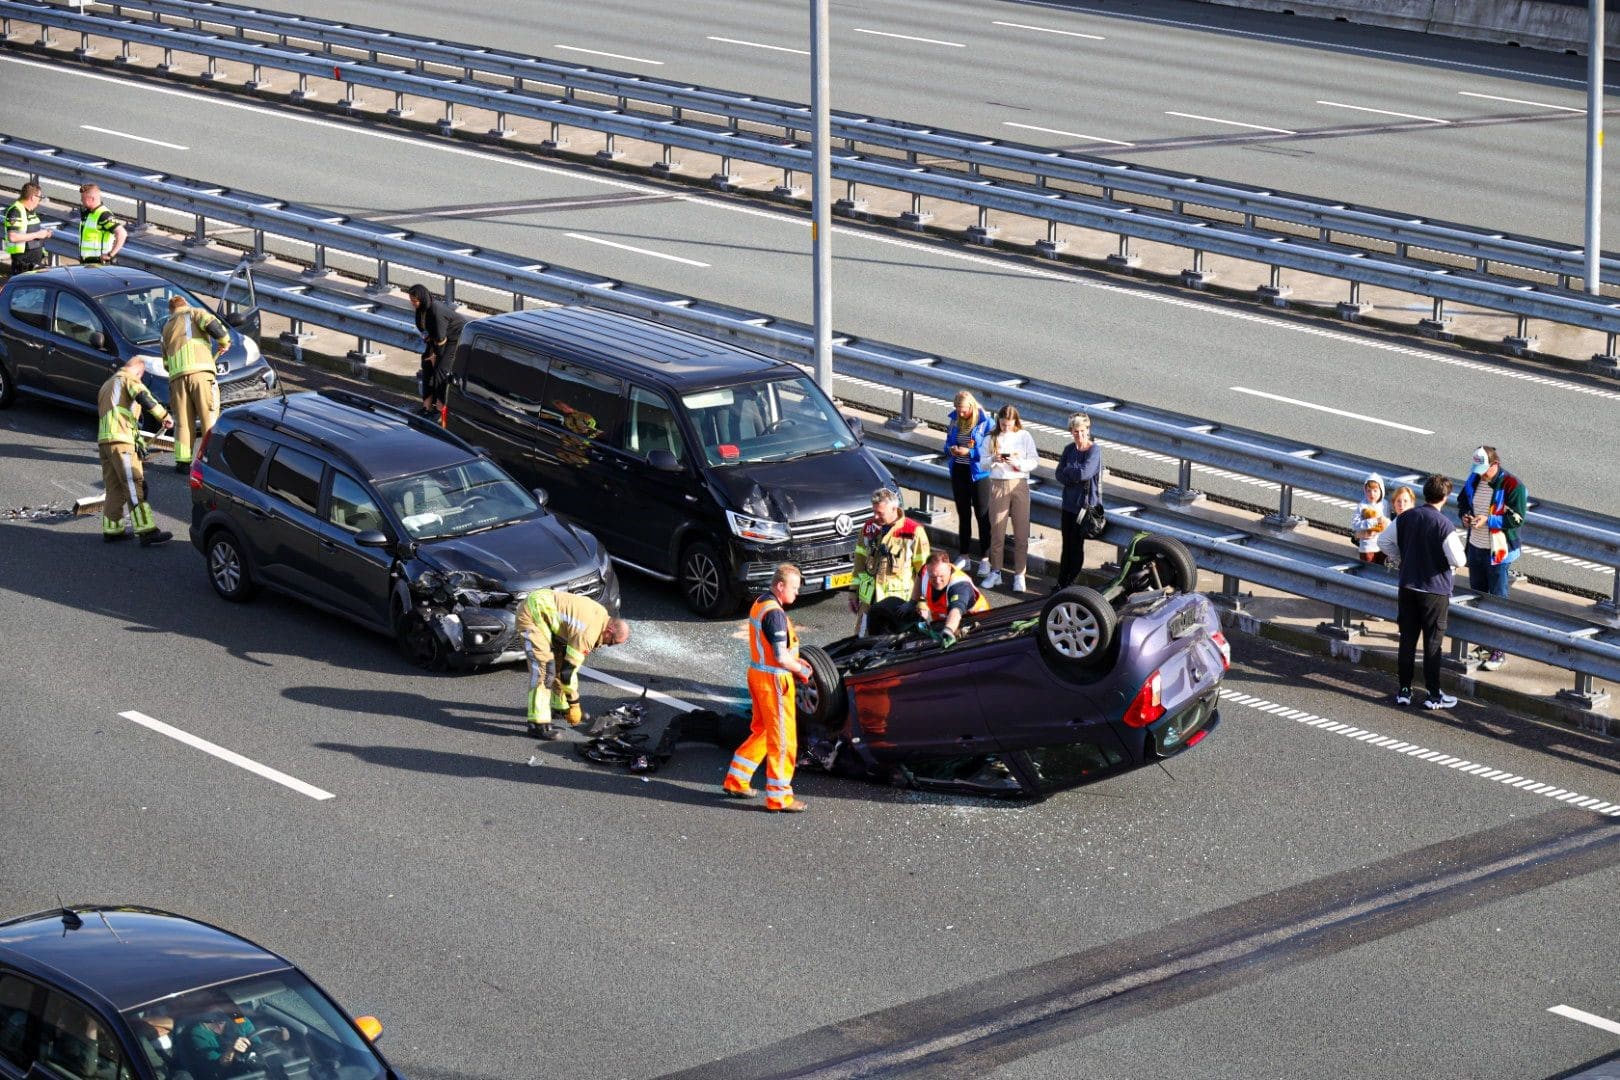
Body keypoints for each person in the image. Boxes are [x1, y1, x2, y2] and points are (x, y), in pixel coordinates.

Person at [723, 563, 814, 812]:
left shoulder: (760, 603)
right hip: (775, 681)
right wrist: (801, 669)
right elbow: (781, 657)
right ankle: (780, 797)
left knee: (763, 731)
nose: (797, 593)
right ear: (780, 586)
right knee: (783, 740)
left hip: (759, 675)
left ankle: (736, 779)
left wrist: (793, 661)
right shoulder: (775, 614)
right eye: (794, 588)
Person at [1378, 474, 1466, 710]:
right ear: (1445, 497)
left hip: (1407, 587)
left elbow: (1383, 542)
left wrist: (1401, 558)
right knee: (1432, 642)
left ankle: (1404, 690)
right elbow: (1459, 558)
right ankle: (1433, 694)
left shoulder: (1406, 517)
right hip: (1434, 591)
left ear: (1425, 494)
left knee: (1407, 640)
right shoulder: (1443, 524)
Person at [515, 589, 630, 740]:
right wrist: (575, 704)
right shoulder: (588, 633)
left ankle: (560, 707)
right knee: (544, 671)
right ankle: (537, 724)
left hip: (545, 611)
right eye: (612, 642)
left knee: (558, 661)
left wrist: (569, 704)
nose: (609, 646)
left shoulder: (602, 616)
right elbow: (568, 673)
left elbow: (564, 666)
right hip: (532, 614)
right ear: (609, 631)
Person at [1457, 445, 1526, 671]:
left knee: (1497, 600)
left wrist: (1488, 521)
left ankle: (1499, 649)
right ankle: (1484, 643)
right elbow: (1462, 502)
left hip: (1499, 552)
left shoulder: (1512, 486)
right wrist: (1465, 517)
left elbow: (1516, 519)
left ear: (1495, 465)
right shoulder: (1474, 479)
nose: (1481, 473)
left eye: (1485, 469)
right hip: (1476, 547)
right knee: (1479, 596)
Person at [98, 355, 174, 546]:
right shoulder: (129, 378)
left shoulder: (107, 385)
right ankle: (147, 530)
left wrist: (138, 441)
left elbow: (119, 416)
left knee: (114, 487)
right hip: (121, 440)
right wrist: (163, 415)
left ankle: (112, 529)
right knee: (134, 484)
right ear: (140, 371)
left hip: (105, 442)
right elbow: (143, 396)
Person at [161, 294, 230, 474]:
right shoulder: (194, 313)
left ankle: (183, 462)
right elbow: (213, 326)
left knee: (183, 422)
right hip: (200, 374)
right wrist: (224, 341)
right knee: (209, 418)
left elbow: (166, 363)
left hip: (177, 380)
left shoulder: (166, 327)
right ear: (185, 304)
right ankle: (210, 460)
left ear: (171, 310)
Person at [849, 486, 930, 635]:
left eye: (880, 513)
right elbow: (859, 563)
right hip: (869, 603)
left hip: (898, 606)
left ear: (894, 509)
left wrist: (922, 604)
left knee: (896, 647)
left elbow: (924, 571)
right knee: (861, 644)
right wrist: (853, 592)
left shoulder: (913, 532)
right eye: (874, 512)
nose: (875, 517)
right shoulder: (868, 529)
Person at [982, 404, 1038, 593]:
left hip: (1019, 484)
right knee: (997, 531)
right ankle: (995, 571)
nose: (1005, 427)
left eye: (1009, 424)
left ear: (1015, 421)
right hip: (998, 484)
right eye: (1003, 424)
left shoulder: (1024, 436)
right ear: (999, 421)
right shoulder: (991, 438)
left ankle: (1019, 574)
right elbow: (982, 464)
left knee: (1021, 533)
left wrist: (1018, 463)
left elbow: (1034, 461)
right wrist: (993, 460)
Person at [943, 390, 993, 575]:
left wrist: (969, 453)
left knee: (982, 516)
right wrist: (952, 450)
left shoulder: (985, 423)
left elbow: (989, 451)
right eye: (957, 409)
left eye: (963, 410)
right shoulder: (955, 419)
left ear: (971, 406)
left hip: (979, 475)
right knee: (963, 514)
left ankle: (985, 559)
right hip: (959, 471)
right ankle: (964, 555)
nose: (960, 413)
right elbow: (947, 442)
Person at [1053, 411, 1102, 591]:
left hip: (1085, 507)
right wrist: (1073, 473)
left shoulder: (1094, 450)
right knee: (1067, 545)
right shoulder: (1069, 450)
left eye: (1082, 431)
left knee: (1076, 546)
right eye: (1075, 431)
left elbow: (1085, 473)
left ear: (1088, 430)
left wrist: (1070, 471)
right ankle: (1061, 582)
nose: (1079, 435)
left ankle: (1071, 583)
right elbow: (1059, 473)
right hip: (1069, 505)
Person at [407, 283, 466, 416]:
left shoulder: (436, 311)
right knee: (427, 364)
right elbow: (424, 331)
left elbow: (441, 338)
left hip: (455, 338)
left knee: (440, 370)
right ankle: (427, 406)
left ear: (422, 298)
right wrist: (430, 352)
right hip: (437, 339)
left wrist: (436, 356)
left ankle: (441, 407)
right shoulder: (421, 310)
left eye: (414, 301)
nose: (412, 304)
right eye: (411, 301)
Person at [915, 549, 991, 645]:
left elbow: (956, 611)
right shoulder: (927, 570)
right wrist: (913, 601)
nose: (937, 581)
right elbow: (920, 574)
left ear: (949, 568)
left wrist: (948, 629)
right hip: (944, 620)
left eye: (941, 576)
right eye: (933, 577)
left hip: (976, 623)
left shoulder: (960, 585)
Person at [4, 182, 51, 276]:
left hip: (34, 262)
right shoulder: (16, 211)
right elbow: (13, 237)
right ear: (33, 197)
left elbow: (30, 232)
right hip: (23, 263)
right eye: (40, 198)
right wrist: (38, 235)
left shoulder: (30, 211)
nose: (40, 201)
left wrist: (45, 234)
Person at [77, 183, 125, 266]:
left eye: (83, 198)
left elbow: (122, 233)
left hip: (100, 265)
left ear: (91, 199)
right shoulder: (88, 213)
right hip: (88, 264)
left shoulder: (103, 215)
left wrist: (110, 255)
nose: (81, 201)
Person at [1350, 472, 1390, 564]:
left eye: (1375, 491)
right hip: (1368, 547)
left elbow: (1387, 523)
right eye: (1368, 490)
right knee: (1369, 570)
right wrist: (1373, 522)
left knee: (1381, 570)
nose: (1372, 494)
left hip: (1382, 547)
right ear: (1365, 490)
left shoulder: (1385, 504)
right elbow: (1355, 524)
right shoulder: (1362, 506)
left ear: (1381, 491)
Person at [1379, 485, 1418, 571]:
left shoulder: (1398, 522)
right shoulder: (1418, 517)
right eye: (1398, 501)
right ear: (1393, 504)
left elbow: (1382, 542)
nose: (1402, 505)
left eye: (1405, 501)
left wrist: (1397, 557)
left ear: (1412, 503)